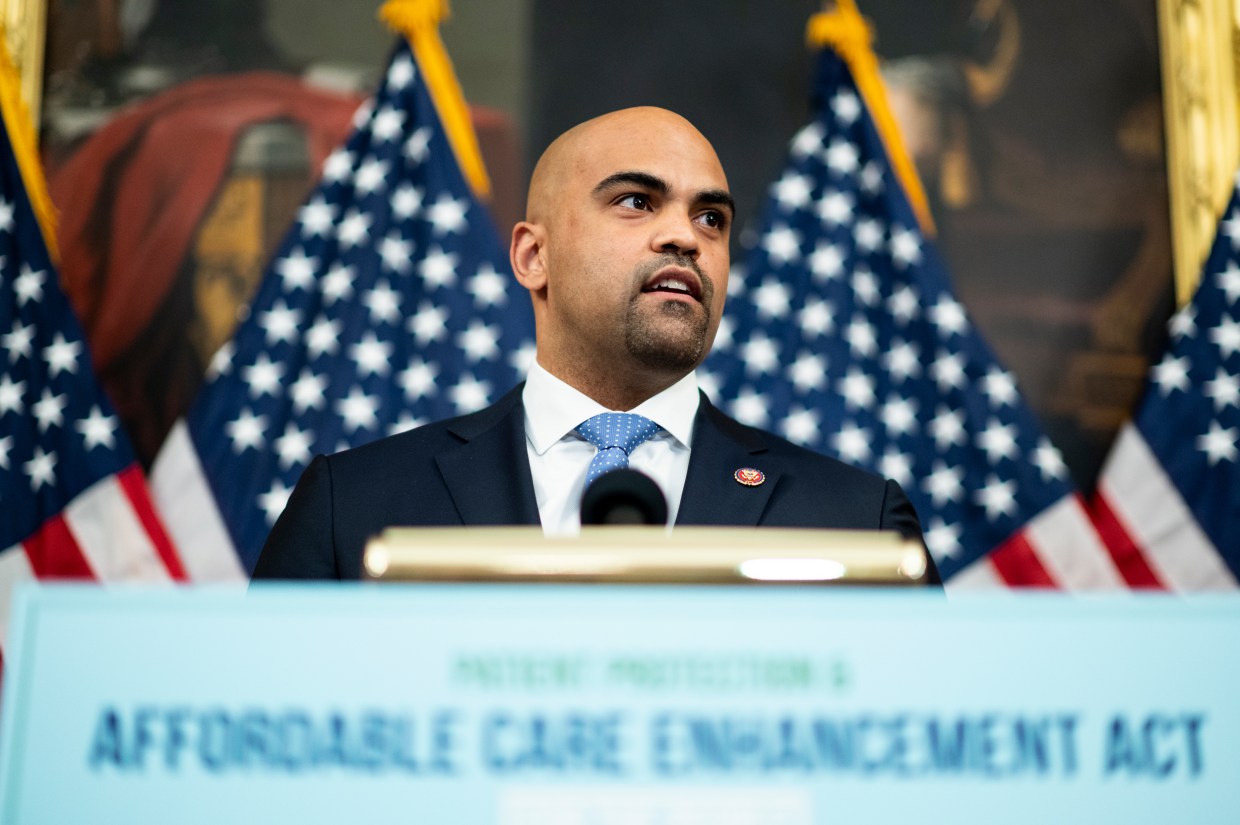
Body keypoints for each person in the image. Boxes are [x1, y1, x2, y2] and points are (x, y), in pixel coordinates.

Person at [252, 106, 937, 582]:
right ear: (533, 257)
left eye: (711, 218)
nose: (685, 237)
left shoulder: (858, 523)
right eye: (637, 201)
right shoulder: (354, 507)